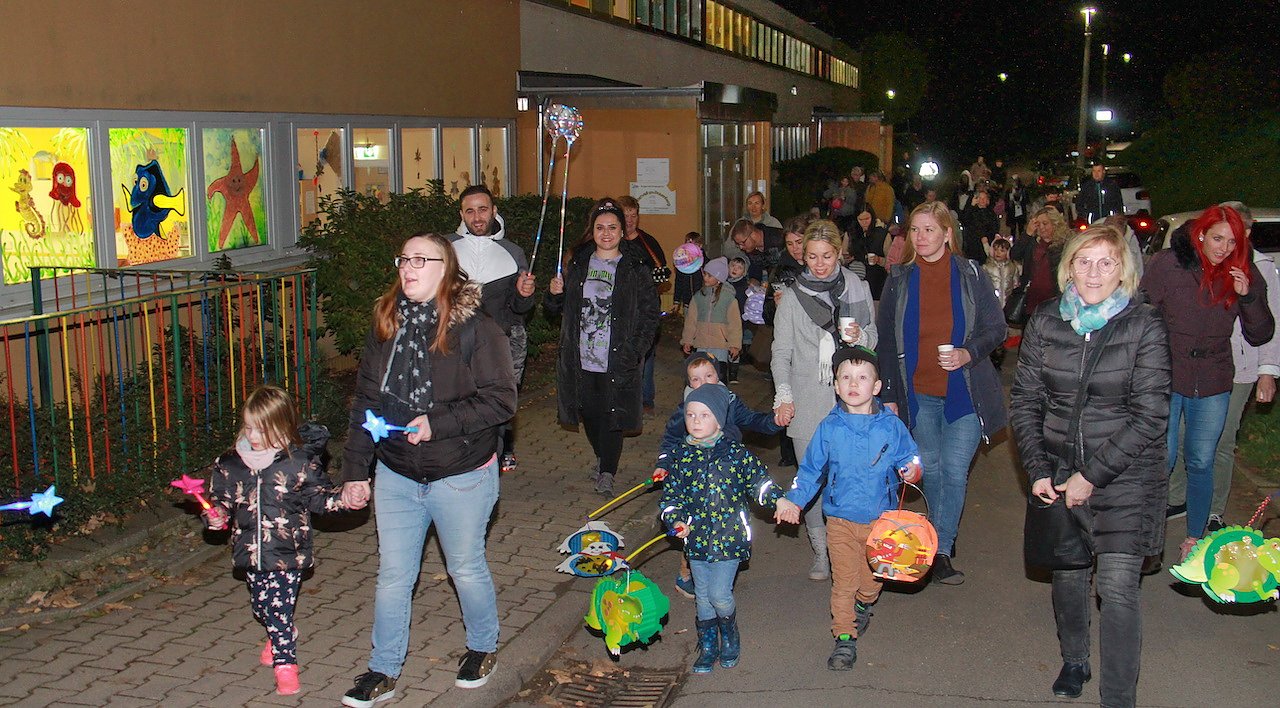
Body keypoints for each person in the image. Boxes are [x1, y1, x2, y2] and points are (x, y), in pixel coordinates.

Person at [340, 233, 517, 706]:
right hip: (397, 472)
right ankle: (383, 669)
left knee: (464, 567)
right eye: (404, 259)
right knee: (393, 576)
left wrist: (437, 423)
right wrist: (355, 471)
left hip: (461, 474)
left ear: (447, 268)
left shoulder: (477, 329)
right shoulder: (387, 324)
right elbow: (367, 401)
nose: (408, 267)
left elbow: (501, 401)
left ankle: (482, 647)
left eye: (421, 259)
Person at [1010, 224, 1171, 706]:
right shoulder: (1046, 321)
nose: (1094, 273)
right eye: (1084, 261)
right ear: (1068, 269)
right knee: (1069, 574)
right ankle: (1075, 658)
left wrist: (1091, 476)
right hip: (1060, 467)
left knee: (1118, 588)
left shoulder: (1144, 324)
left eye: (1106, 262)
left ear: (1123, 271)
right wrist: (1039, 468)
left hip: (1126, 475)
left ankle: (1118, 697)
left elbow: (1150, 415)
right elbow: (1026, 401)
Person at [875, 201, 1007, 585]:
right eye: (915, 230)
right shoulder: (900, 278)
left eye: (929, 229)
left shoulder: (971, 275)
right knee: (930, 468)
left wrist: (968, 352)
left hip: (964, 392)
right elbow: (886, 342)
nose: (920, 237)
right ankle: (935, 535)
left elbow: (997, 328)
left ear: (947, 233)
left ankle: (941, 549)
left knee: (954, 469)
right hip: (917, 393)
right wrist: (889, 394)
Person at [774, 347, 921, 671]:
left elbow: (910, 455)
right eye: (846, 378)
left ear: (876, 386)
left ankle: (863, 605)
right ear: (837, 386)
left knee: (871, 582)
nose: (854, 384)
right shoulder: (830, 428)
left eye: (862, 377)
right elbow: (810, 472)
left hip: (880, 523)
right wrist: (794, 501)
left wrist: (912, 468)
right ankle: (844, 639)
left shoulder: (891, 426)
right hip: (839, 520)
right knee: (844, 583)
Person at [1141, 204, 1274, 558]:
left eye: (1232, 242)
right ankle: (1145, 535)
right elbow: (1140, 311)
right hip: (1167, 374)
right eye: (1217, 239)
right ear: (1201, 234)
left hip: (1213, 377)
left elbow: (1261, 333)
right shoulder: (1169, 263)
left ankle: (1194, 539)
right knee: (1162, 457)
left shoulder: (1242, 269)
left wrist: (1248, 297)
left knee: (1201, 460)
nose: (1224, 248)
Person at [203, 385, 346, 696]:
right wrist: (216, 516)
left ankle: (286, 664)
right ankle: (282, 631)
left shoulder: (298, 462)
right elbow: (221, 500)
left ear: (282, 426)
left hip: (287, 552)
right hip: (251, 551)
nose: (254, 436)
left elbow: (320, 498)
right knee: (261, 606)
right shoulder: (231, 463)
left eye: (262, 429)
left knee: (278, 607)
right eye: (249, 427)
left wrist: (346, 499)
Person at [771, 219, 877, 581]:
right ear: (803, 255)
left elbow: (874, 337)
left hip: (851, 399)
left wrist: (861, 336)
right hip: (807, 399)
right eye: (812, 256)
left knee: (849, 479)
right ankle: (822, 549)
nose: (819, 264)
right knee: (811, 480)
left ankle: (845, 546)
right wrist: (783, 394)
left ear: (839, 253)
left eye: (827, 256)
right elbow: (780, 352)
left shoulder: (858, 288)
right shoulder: (791, 297)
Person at [659, 383, 784, 674]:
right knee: (702, 596)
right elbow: (671, 497)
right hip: (697, 540)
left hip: (729, 538)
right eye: (691, 415)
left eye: (704, 415)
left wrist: (778, 500)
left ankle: (729, 635)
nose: (696, 421)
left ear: (718, 420)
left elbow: (759, 482)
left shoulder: (736, 454)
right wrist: (676, 519)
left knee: (719, 594)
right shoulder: (681, 457)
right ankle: (708, 645)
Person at [546, 199, 661, 497]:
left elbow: (650, 313)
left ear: (622, 231)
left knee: (613, 415)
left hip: (618, 358)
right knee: (589, 412)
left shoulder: (635, 267)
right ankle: (601, 456)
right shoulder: (579, 264)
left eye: (612, 227)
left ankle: (607, 470)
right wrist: (555, 294)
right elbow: (557, 310)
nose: (606, 233)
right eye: (600, 227)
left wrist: (635, 350)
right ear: (592, 230)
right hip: (582, 356)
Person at [656, 353, 784, 599]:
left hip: (727, 474)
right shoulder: (688, 409)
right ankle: (687, 573)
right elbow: (671, 440)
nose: (703, 383)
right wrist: (663, 464)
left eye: (709, 376)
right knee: (692, 525)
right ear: (688, 383)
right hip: (695, 477)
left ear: (719, 375)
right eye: (696, 379)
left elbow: (752, 420)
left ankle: (720, 580)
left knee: (723, 522)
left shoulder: (729, 401)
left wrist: (774, 422)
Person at [450, 184, 536, 473]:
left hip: (501, 344)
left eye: (483, 209)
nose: (477, 217)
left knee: (498, 406)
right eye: (470, 211)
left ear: (494, 211)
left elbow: (521, 309)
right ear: (461, 214)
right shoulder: (445, 248)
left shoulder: (512, 252)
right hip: (456, 345)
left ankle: (493, 460)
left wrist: (524, 294)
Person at [617, 195, 667, 416]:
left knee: (646, 353)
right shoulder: (609, 241)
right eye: (625, 216)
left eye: (633, 215)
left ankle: (646, 398)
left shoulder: (648, 242)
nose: (630, 220)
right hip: (620, 309)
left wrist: (656, 277)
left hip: (645, 309)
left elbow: (661, 270)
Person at [681, 257, 742, 382]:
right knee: (701, 375)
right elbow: (691, 321)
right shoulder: (698, 297)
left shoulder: (728, 299)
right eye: (705, 274)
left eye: (710, 275)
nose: (705, 278)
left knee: (719, 376)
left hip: (720, 345)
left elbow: (735, 324)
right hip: (701, 343)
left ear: (719, 279)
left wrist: (734, 344)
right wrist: (688, 339)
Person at [1012, 207, 1070, 318]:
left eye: (1045, 223)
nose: (1042, 228)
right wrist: (1027, 233)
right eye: (1038, 224)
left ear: (1055, 224)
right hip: (1031, 299)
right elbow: (1015, 255)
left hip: (1054, 300)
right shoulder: (1033, 242)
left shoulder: (1064, 244)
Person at [851, 209, 890, 300]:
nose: (864, 222)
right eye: (861, 220)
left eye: (867, 219)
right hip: (855, 282)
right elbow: (842, 256)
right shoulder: (851, 234)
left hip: (877, 282)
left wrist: (879, 260)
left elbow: (891, 262)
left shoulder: (883, 234)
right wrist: (847, 259)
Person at [726, 256, 752, 382]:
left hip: (737, 321)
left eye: (739, 268)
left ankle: (733, 372)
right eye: (733, 266)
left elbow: (744, 305)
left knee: (735, 345)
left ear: (744, 272)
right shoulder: (723, 283)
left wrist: (742, 321)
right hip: (723, 321)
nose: (735, 269)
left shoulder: (743, 287)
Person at [960, 189, 999, 264]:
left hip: (986, 243)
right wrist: (971, 205)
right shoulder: (971, 210)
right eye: (980, 198)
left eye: (984, 198)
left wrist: (987, 237)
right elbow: (964, 220)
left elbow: (995, 228)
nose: (982, 200)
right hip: (973, 244)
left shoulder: (991, 213)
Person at [673, 231, 705, 315]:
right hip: (687, 303)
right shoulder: (682, 265)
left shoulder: (705, 263)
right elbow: (678, 282)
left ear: (700, 246)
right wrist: (676, 301)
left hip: (703, 303)